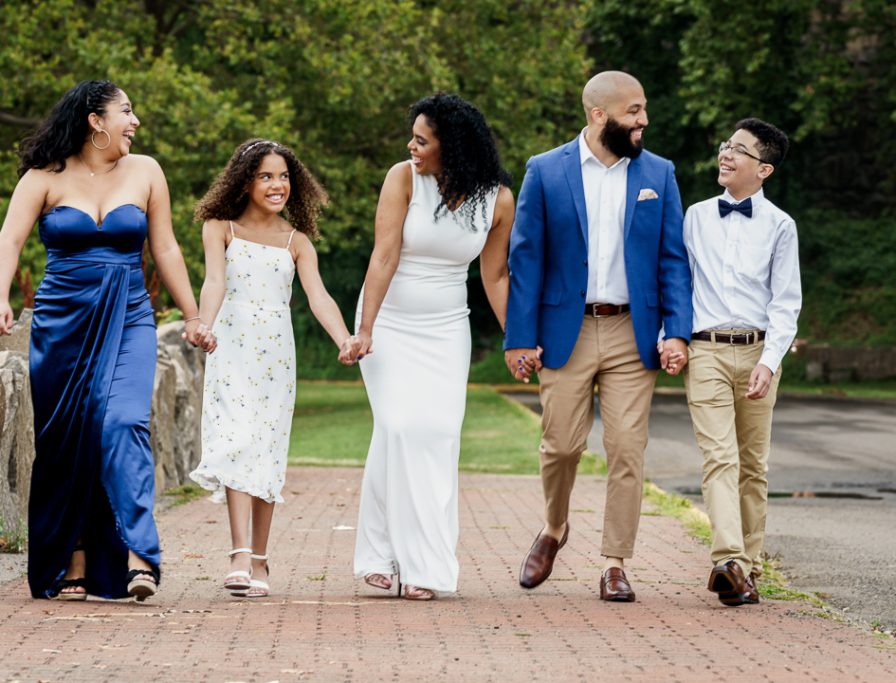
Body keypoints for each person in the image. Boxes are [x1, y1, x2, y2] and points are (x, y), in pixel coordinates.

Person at [0, 79, 211, 601]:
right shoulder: (44, 176)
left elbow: (167, 249)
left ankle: (139, 556)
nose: (134, 122)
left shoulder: (147, 171)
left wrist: (194, 315)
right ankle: (75, 558)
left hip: (130, 314)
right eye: (126, 112)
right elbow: (10, 240)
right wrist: (0, 298)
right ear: (95, 120)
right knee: (69, 442)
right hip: (62, 323)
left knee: (123, 421)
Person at [504, 71, 692, 601]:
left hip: (634, 333)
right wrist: (520, 337)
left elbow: (673, 259)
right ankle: (555, 527)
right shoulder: (545, 171)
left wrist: (676, 331)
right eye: (634, 111)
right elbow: (527, 258)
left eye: (644, 109)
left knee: (627, 449)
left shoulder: (659, 172)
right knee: (561, 446)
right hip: (568, 329)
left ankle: (614, 563)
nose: (644, 120)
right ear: (598, 115)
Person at [348, 93, 516, 600]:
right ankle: (393, 556)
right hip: (389, 323)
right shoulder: (403, 178)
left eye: (422, 140)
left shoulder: (499, 199)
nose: (411, 146)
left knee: (436, 437)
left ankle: (412, 562)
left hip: (447, 329)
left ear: (455, 146)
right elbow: (383, 256)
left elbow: (495, 275)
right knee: (399, 427)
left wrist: (517, 340)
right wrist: (366, 330)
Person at [188, 139, 357, 599]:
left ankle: (260, 558)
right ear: (245, 181)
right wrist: (203, 325)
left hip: (275, 357)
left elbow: (318, 296)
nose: (276, 184)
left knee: (265, 449)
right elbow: (214, 282)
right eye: (265, 176)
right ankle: (239, 554)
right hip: (231, 349)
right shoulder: (219, 227)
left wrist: (344, 338)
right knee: (235, 439)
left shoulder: (296, 241)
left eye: (283, 176)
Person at [682, 118, 800, 606]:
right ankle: (727, 559)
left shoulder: (781, 226)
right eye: (725, 146)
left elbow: (786, 302)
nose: (725, 155)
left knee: (753, 466)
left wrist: (769, 361)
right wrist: (674, 339)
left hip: (758, 352)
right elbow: (678, 283)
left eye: (740, 150)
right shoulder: (694, 216)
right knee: (720, 457)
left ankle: (746, 572)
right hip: (705, 349)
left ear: (764, 169)